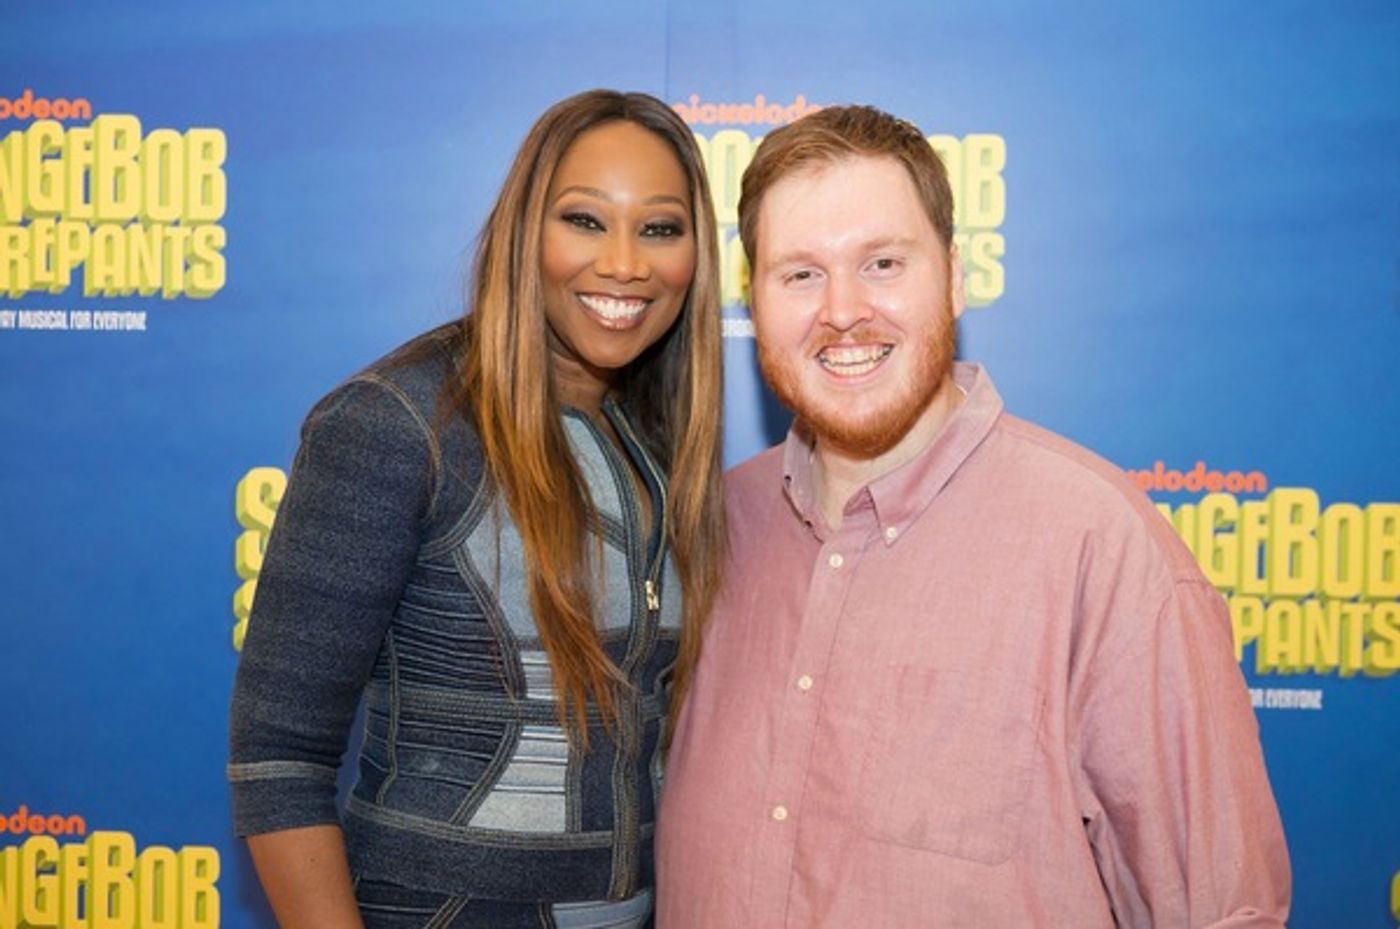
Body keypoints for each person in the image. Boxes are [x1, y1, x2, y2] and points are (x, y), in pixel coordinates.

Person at [656, 105, 1290, 927]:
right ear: (755, 298)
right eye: (801, 273)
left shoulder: (1099, 549)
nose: (842, 309)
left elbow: (1221, 911)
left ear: (954, 277)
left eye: (883, 262)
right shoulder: (712, 530)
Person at [228, 89, 724, 928]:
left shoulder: (655, 435)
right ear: (524, 231)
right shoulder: (399, 421)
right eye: (585, 220)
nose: (626, 264)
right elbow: (278, 758)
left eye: (661, 228)